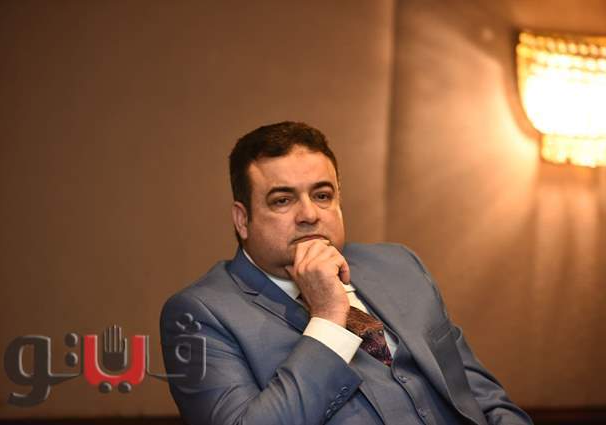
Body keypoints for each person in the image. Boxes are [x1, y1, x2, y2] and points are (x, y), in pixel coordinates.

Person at [160, 121, 533, 425]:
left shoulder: (399, 265)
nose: (309, 214)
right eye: (283, 200)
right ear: (243, 220)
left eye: (322, 195)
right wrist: (327, 318)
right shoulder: (198, 314)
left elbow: (483, 396)